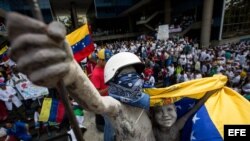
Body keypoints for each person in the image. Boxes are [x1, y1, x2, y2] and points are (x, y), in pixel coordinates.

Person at [7, 12, 155, 141]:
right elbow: (95, 101)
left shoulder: (150, 99)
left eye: (134, 74)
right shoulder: (116, 108)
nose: (132, 81)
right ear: (113, 78)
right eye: (124, 75)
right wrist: (71, 70)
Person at [150, 89, 218, 141]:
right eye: (159, 111)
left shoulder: (176, 127)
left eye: (169, 109)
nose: (165, 114)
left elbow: (194, 109)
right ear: (153, 115)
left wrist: (209, 94)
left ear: (175, 110)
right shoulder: (153, 132)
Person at [90, 48, 112, 132]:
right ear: (101, 60)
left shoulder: (104, 67)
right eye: (107, 61)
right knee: (104, 126)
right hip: (102, 102)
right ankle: (99, 125)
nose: (108, 63)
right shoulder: (96, 74)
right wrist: (109, 88)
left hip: (107, 100)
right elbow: (97, 93)